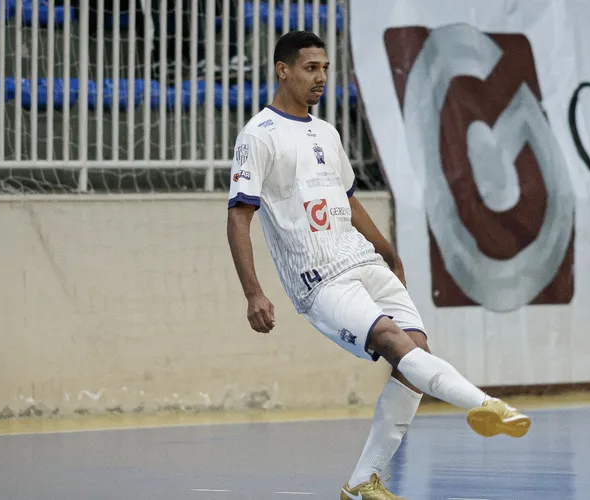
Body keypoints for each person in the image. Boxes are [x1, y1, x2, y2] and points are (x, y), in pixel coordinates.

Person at [225, 31, 531, 500]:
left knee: (416, 349)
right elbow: (238, 216)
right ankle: (484, 404)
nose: (321, 77)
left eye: (325, 68)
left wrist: (386, 250)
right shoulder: (258, 136)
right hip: (319, 278)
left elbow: (346, 198)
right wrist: (253, 292)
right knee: (392, 342)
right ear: (282, 70)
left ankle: (361, 482)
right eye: (310, 68)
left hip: (361, 258)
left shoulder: (326, 131)